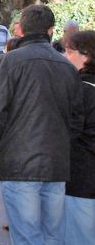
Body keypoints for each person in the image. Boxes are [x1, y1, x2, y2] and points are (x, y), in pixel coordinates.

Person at [0, 4, 84, 245]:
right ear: (50, 31)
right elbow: (77, 117)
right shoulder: (66, 67)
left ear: (21, 29)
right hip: (55, 161)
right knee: (52, 234)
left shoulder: (11, 62)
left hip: (19, 161)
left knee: (27, 235)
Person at [61, 31, 95, 244]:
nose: (65, 56)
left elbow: (71, 130)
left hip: (81, 175)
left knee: (79, 236)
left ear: (87, 56)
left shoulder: (80, 89)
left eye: (70, 51)